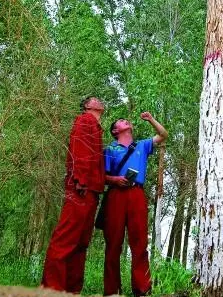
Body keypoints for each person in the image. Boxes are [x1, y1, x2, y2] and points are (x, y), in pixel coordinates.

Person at [41, 96, 105, 293]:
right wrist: (80, 180)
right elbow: (80, 150)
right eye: (95, 99)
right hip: (81, 188)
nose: (100, 101)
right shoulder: (85, 120)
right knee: (66, 239)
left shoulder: (96, 127)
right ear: (87, 106)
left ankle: (71, 289)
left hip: (91, 191)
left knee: (81, 243)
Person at [103, 111, 168, 297]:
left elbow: (164, 135)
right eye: (122, 121)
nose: (126, 121)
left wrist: (151, 120)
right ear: (116, 131)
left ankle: (142, 290)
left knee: (139, 243)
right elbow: (102, 177)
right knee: (113, 244)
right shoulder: (110, 150)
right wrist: (115, 179)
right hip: (116, 195)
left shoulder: (142, 145)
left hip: (137, 194)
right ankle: (111, 291)